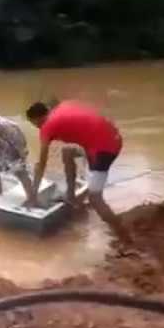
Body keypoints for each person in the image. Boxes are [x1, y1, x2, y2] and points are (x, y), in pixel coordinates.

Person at [26, 100, 131, 243]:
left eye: (36, 125)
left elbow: (41, 164)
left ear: (39, 118)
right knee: (67, 151)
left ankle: (124, 238)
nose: (38, 128)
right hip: (114, 138)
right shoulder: (64, 106)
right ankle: (71, 197)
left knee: (95, 198)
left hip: (104, 150)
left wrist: (33, 195)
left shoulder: (47, 126)